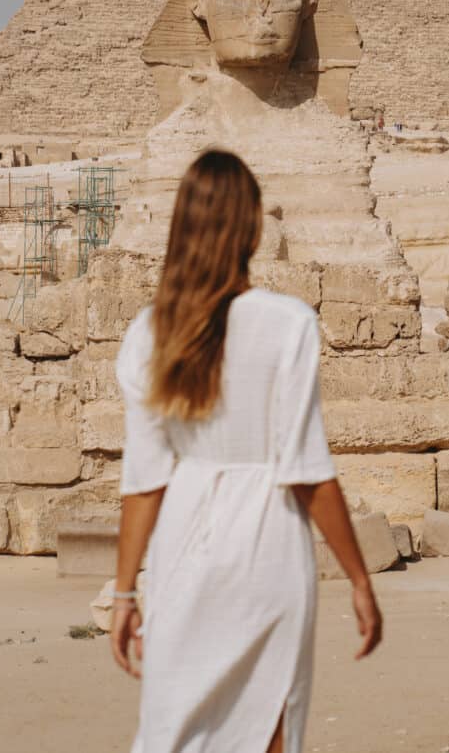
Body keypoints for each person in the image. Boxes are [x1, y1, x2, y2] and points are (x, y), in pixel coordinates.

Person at [111, 148, 383, 753]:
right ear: (254, 228)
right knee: (270, 725)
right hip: (268, 545)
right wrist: (360, 579)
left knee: (173, 730)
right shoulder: (289, 324)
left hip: (185, 543)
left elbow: (144, 479)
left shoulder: (149, 333)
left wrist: (126, 592)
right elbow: (307, 470)